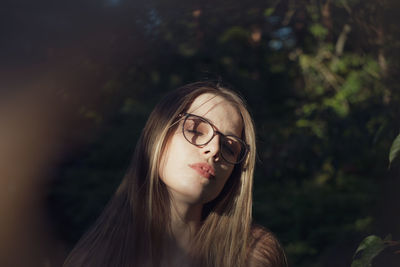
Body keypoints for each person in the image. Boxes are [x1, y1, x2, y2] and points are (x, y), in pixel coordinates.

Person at [63, 81, 287, 267]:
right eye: (195, 129)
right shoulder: (93, 259)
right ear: (158, 135)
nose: (214, 149)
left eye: (229, 147)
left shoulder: (252, 257)